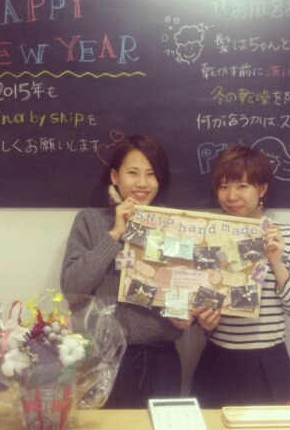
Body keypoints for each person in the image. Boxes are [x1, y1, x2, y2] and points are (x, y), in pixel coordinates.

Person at [61, 134, 190, 408]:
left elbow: (185, 285)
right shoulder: (90, 221)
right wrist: (115, 234)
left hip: (161, 360)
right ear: (115, 176)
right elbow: (72, 288)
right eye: (133, 173)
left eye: (151, 174)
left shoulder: (173, 225)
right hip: (102, 360)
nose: (142, 183)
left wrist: (187, 316)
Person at [190, 144, 290, 408]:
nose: (231, 196)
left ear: (262, 189)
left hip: (270, 364)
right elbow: (192, 299)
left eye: (242, 186)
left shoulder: (289, 236)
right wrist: (201, 320)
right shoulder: (206, 236)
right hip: (217, 361)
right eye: (223, 186)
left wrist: (277, 263)